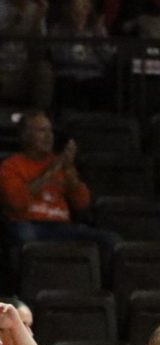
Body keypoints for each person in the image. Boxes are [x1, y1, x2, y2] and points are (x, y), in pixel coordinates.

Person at [0, 110, 119, 250]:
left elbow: (82, 204)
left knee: (111, 240)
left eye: (50, 131)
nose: (49, 136)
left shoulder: (62, 164)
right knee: (25, 237)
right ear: (26, 136)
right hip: (28, 223)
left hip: (62, 226)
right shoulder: (11, 165)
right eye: (42, 131)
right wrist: (52, 171)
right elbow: (16, 203)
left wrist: (68, 169)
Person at [48, 0, 114, 111]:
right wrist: (75, 34)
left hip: (93, 73)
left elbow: (107, 57)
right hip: (67, 72)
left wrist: (98, 39)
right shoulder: (58, 30)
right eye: (75, 11)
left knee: (102, 88)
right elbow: (57, 56)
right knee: (66, 87)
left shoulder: (97, 30)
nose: (79, 14)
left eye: (83, 8)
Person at [0, 0, 52, 108]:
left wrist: (38, 21)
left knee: (44, 70)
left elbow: (38, 52)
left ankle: (39, 116)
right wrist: (16, 21)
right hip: (2, 69)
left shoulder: (35, 9)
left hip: (22, 69)